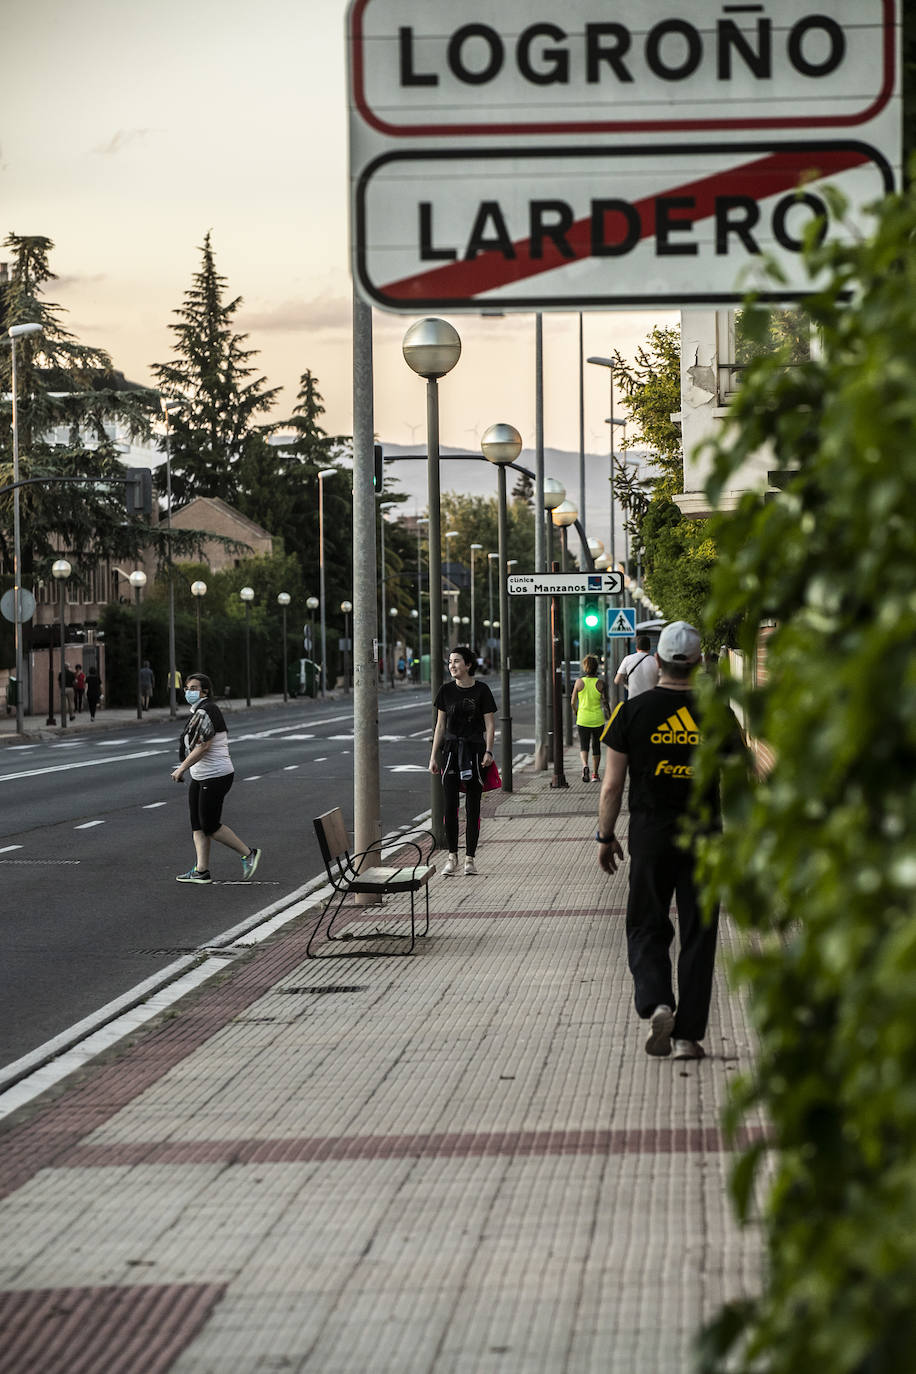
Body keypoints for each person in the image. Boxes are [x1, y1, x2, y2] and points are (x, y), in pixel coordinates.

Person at [596, 621, 725, 1062]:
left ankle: (658, 1002)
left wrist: (605, 835)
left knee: (646, 926)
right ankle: (688, 1037)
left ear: (656, 661)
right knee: (699, 933)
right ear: (699, 663)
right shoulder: (716, 713)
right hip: (706, 840)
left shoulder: (631, 712)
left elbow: (611, 786)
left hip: (650, 837)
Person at [171, 672, 261, 885]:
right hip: (201, 776)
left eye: (194, 688)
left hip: (215, 775)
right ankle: (201, 871)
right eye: (187, 688)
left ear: (205, 691)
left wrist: (181, 768)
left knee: (210, 825)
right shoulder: (199, 711)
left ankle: (249, 853)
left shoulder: (208, 710)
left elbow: (203, 746)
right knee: (197, 825)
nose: (189, 692)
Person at [429, 646, 496, 877]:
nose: (452, 666)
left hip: (475, 752)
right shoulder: (446, 691)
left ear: (468, 665)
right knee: (449, 807)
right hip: (450, 753)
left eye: (457, 661)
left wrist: (489, 751)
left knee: (473, 808)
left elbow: (490, 724)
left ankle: (470, 858)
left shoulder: (482, 690)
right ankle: (451, 857)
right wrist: (434, 756)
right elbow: (440, 725)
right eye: (450, 662)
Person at [571, 654, 609, 783]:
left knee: (584, 745)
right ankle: (595, 774)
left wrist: (577, 711)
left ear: (585, 667)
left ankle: (585, 766)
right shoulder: (600, 683)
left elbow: (572, 702)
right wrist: (609, 714)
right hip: (597, 719)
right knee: (596, 746)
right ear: (596, 667)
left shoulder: (579, 682)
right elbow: (605, 701)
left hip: (583, 718)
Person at [614, 634, 659, 699]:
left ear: (636, 647)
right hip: (651, 699)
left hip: (633, 700)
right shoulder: (655, 661)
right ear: (649, 648)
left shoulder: (628, 659)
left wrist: (628, 686)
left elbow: (617, 680)